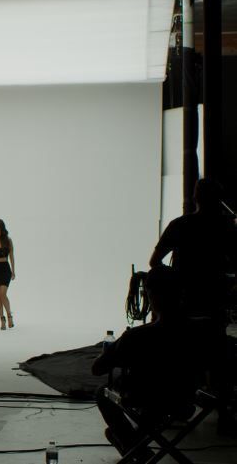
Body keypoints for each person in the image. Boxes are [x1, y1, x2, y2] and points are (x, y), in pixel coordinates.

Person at [92, 266, 206, 461]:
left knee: (102, 393)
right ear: (181, 293)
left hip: (145, 396)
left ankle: (134, 447)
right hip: (184, 399)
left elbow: (97, 369)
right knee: (158, 398)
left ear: (150, 295)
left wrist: (110, 351)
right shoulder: (203, 329)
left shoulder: (136, 336)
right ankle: (134, 443)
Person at [149, 178, 236, 433]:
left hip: (182, 304)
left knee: (177, 352)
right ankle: (224, 413)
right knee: (218, 353)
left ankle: (176, 403)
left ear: (195, 198)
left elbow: (155, 262)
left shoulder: (180, 225)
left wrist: (175, 279)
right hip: (213, 304)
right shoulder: (227, 228)